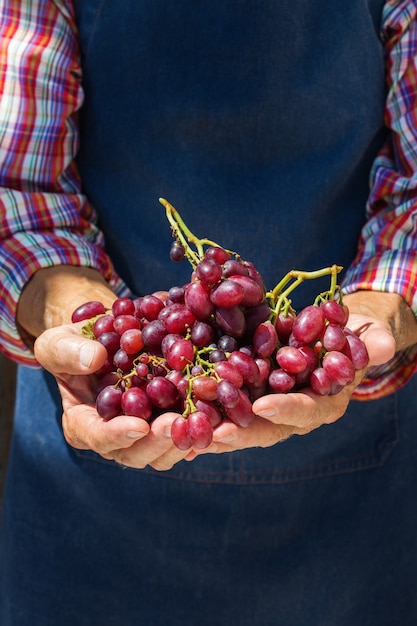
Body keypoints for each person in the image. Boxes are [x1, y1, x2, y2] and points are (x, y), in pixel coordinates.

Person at [1, 0, 417, 624]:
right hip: (91, 523)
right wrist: (58, 300)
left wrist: (388, 301)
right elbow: (17, 185)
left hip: (347, 516)